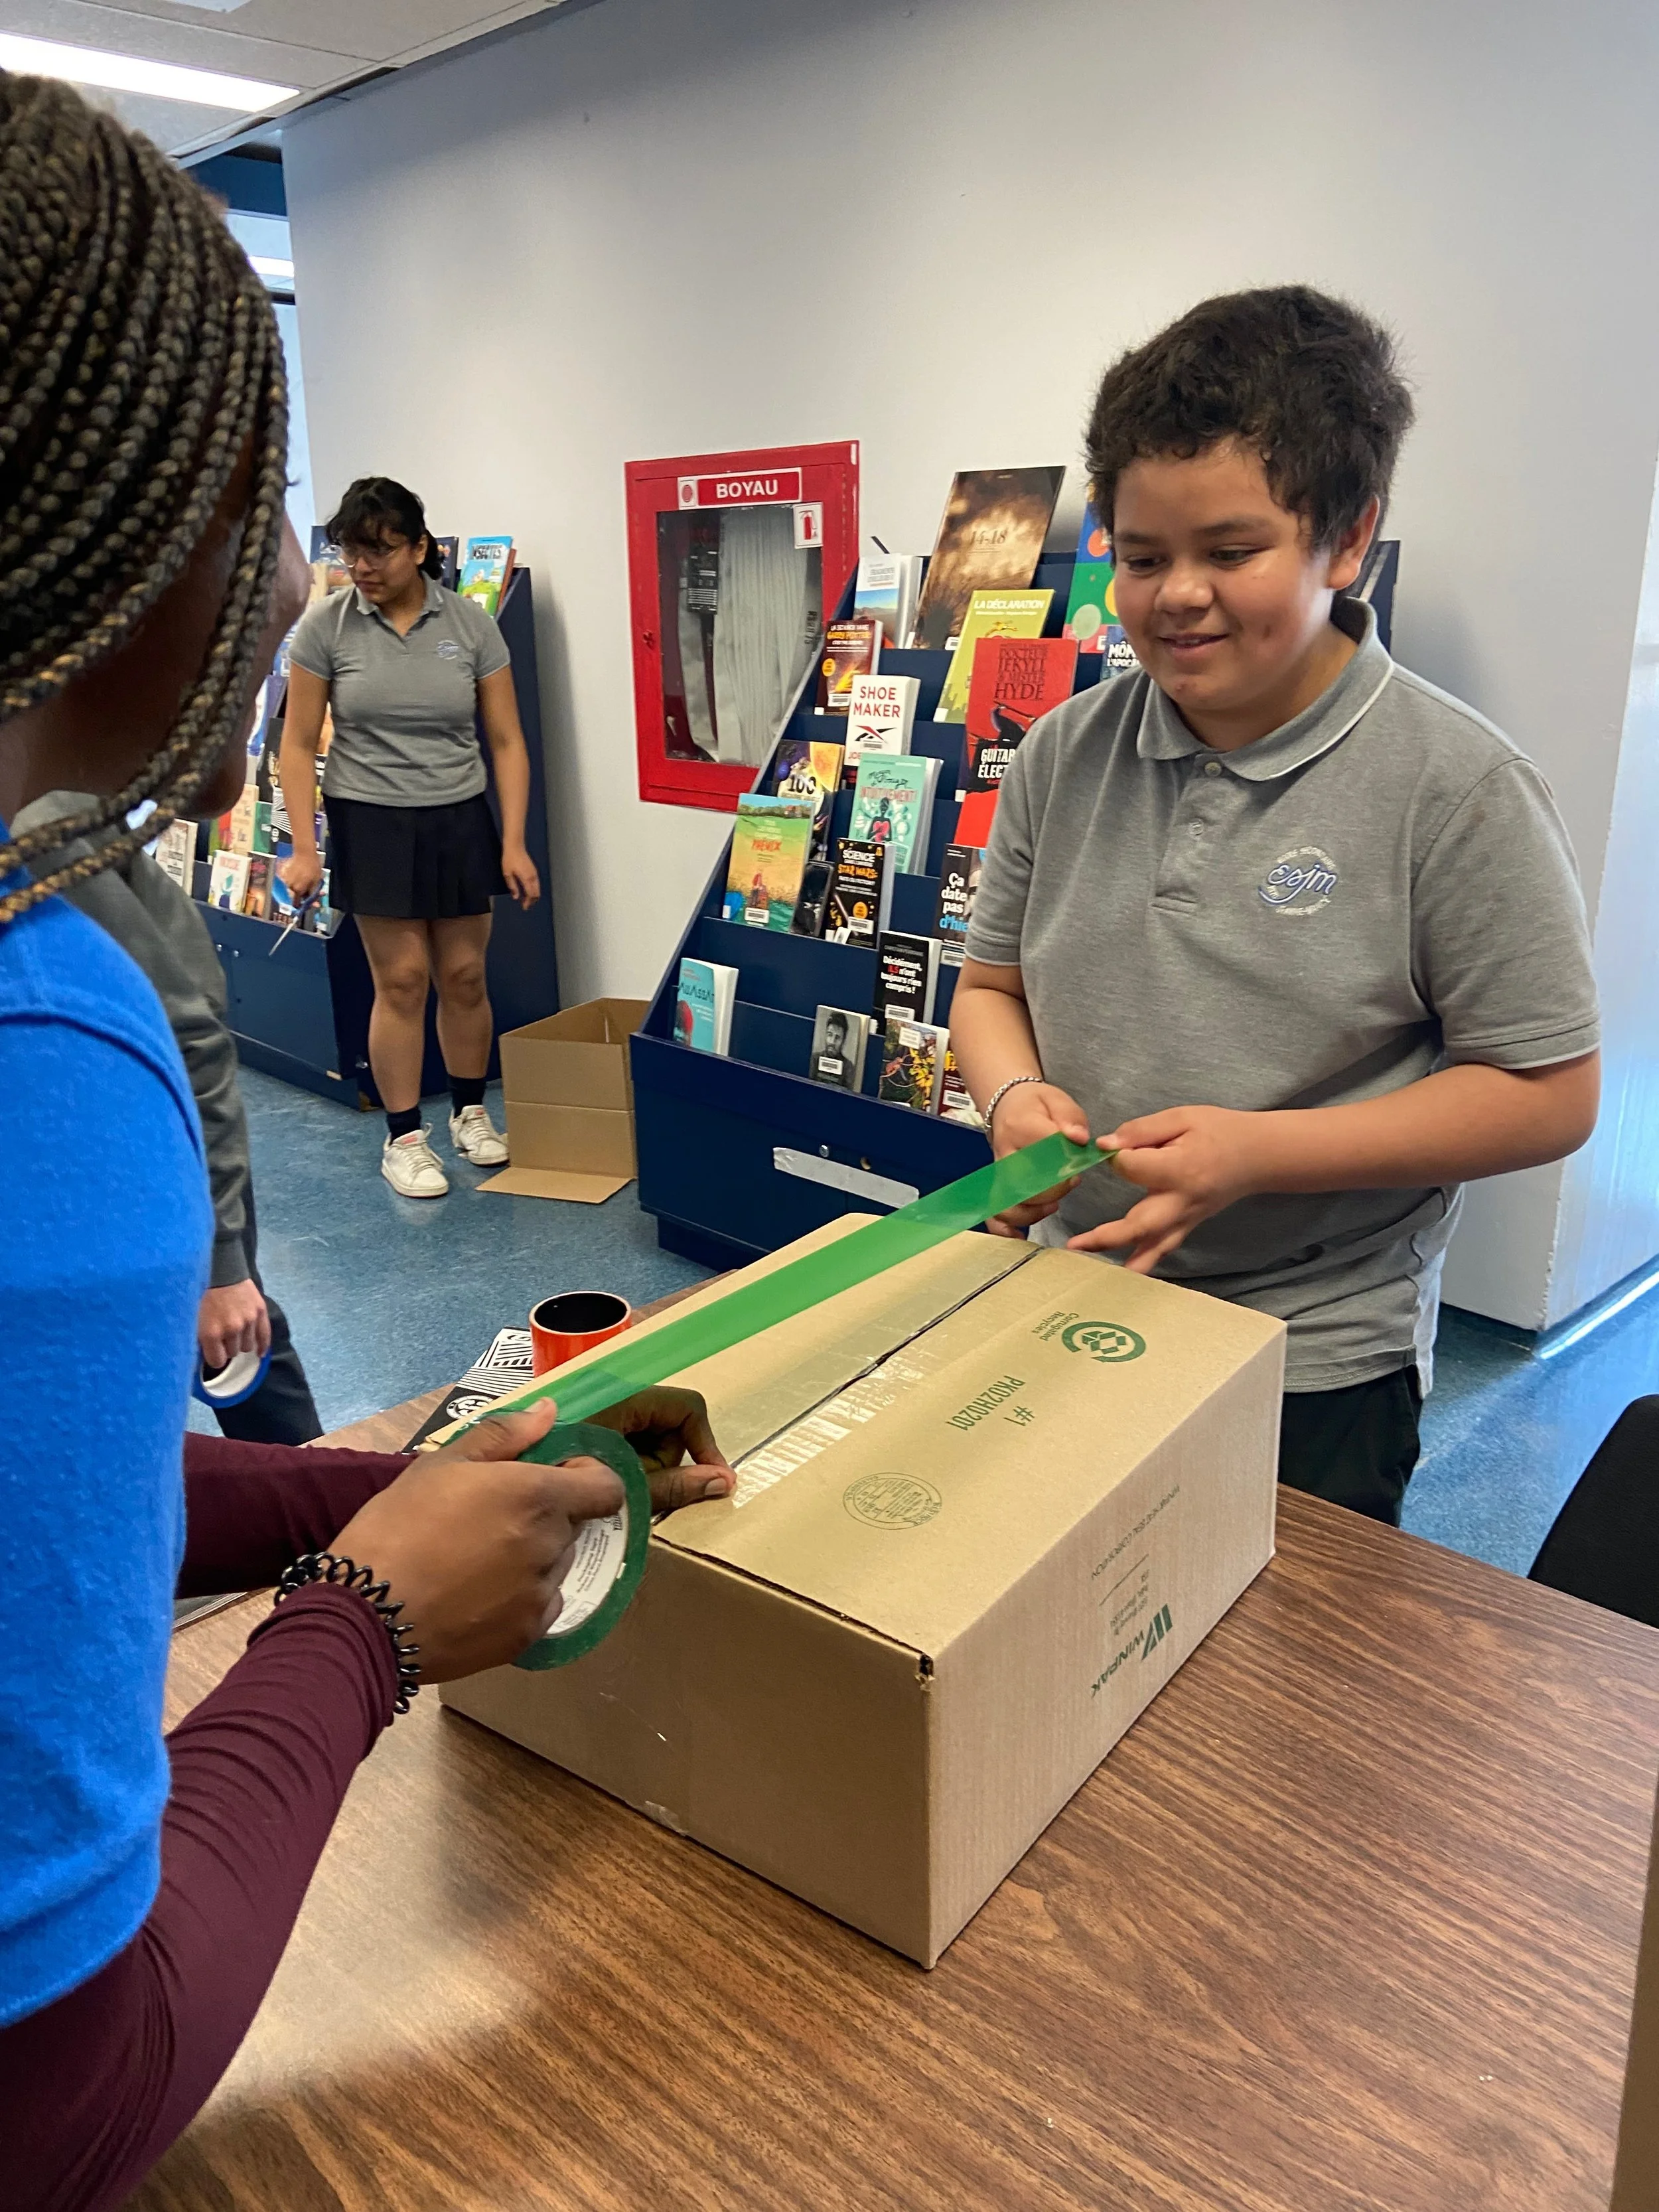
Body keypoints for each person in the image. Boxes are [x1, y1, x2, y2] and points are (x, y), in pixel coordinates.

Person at [0, 74, 733, 2210]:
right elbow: (56, 2089)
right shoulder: (52, 1052)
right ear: (168, 539)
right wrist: (358, 1618)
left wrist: (387, 1483)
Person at [951, 286, 1601, 1526]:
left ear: (1347, 541)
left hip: (1311, 1358)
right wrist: (1013, 1098)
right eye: (1141, 558)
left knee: (1274, 1689)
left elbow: (1548, 1090)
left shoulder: (1459, 789)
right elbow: (991, 991)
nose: (1176, 594)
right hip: (1073, 1297)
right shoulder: (1058, 754)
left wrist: (1257, 1155)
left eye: (1229, 551)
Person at [8, 786, 323, 1445]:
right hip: (63, 1152)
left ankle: (330, 1527)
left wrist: (222, 1260)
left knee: (238, 1348)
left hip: (136, 1144)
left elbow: (188, 1036)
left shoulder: (35, 824)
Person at [278, 477, 541, 1200]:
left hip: (458, 815)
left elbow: (507, 741)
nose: (362, 566)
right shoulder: (326, 628)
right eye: (351, 552)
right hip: (371, 817)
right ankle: (402, 1138)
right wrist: (304, 846)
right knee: (401, 980)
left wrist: (513, 842)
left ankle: (468, 1114)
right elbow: (297, 745)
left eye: (380, 551)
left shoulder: (470, 625)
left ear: (419, 548)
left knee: (463, 976)